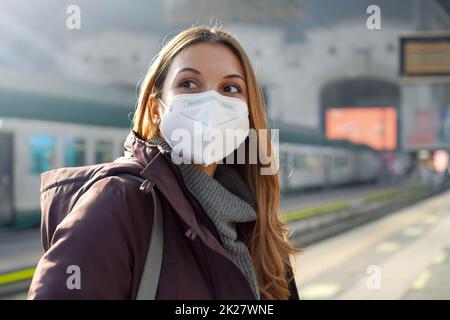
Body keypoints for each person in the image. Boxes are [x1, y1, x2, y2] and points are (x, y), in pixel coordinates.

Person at [28, 23, 300, 300]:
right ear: (155, 109)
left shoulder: (254, 221)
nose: (211, 102)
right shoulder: (116, 202)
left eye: (230, 88)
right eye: (188, 83)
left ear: (248, 112)